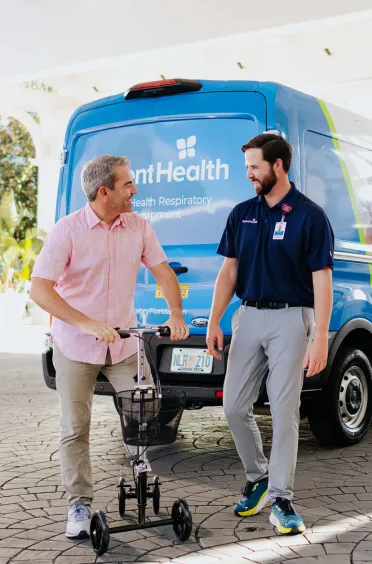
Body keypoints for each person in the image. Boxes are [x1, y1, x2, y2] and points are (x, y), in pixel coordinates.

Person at [29, 154, 189, 540]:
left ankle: (139, 463)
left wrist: (176, 314)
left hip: (123, 345)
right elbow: (40, 290)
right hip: (75, 345)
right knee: (75, 426)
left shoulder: (138, 226)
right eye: (127, 184)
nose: (135, 189)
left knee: (145, 406)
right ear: (104, 191)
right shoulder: (67, 231)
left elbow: (164, 272)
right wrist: (86, 323)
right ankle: (79, 502)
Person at [206, 133, 334, 535]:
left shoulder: (310, 215)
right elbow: (229, 271)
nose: (249, 174)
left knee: (283, 410)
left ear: (278, 166)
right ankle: (258, 476)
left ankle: (281, 498)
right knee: (233, 406)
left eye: (254, 167)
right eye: (247, 167)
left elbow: (322, 279)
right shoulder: (242, 213)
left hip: (291, 319)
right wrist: (214, 320)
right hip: (248, 316)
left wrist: (320, 336)